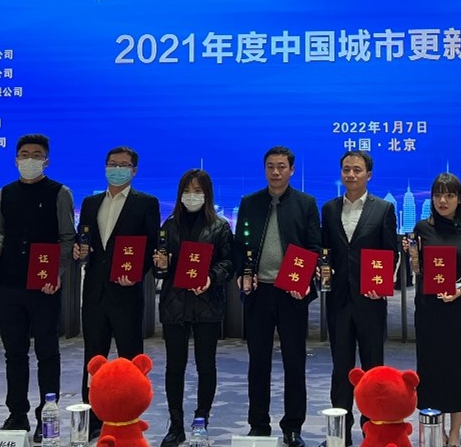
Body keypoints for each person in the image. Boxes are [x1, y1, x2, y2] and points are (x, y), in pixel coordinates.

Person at [0, 134, 75, 443]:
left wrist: (58, 272)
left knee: (47, 352)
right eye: (24, 154)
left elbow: (67, 237)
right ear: (15, 160)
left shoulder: (60, 192)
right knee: (14, 353)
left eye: (36, 155)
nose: (29, 159)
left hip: (44, 285)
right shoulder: (4, 193)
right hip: (10, 284)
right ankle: (17, 413)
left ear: (46, 161)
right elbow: (2, 232)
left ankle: (46, 415)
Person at [232, 146, 321, 447]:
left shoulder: (306, 203)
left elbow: (313, 247)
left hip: (291, 293)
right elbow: (240, 245)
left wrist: (305, 280)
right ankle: (258, 425)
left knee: (294, 362)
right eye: (270, 166)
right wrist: (242, 273)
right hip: (259, 293)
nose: (275, 172)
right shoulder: (250, 203)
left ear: (291, 170)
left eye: (281, 166)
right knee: (258, 362)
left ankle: (292, 427)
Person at [75, 146, 161, 439]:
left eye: (124, 165)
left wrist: (136, 274)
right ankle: (92, 420)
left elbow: (151, 247)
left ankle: (131, 421)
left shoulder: (145, 203)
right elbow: (84, 240)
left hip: (127, 293)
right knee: (93, 359)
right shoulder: (90, 203)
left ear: (134, 170)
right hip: (95, 293)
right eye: (112, 164)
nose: (117, 169)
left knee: (131, 359)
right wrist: (79, 251)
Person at [319, 151, 398, 446]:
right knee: (341, 370)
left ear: (369, 175)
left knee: (373, 370)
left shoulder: (384, 209)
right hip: (339, 300)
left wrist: (383, 284)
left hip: (370, 300)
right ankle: (339, 436)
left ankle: (372, 434)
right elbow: (325, 251)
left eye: (357, 170)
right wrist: (323, 269)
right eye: (346, 169)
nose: (351, 175)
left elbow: (391, 254)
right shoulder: (329, 209)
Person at [153, 169, 234, 447]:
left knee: (205, 365)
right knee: (174, 366)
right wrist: (160, 264)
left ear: (207, 194)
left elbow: (228, 263)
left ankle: (201, 421)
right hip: (174, 303)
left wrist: (210, 278)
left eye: (198, 191)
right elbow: (161, 269)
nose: (192, 196)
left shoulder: (220, 226)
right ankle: (176, 425)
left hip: (206, 303)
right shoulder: (169, 225)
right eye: (187, 191)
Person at [406, 173, 461, 447]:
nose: (443, 200)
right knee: (431, 370)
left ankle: (454, 433)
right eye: (438, 195)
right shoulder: (421, 228)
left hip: (458, 310)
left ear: (459, 199)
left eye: (449, 195)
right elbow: (418, 270)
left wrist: (460, 290)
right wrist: (411, 255)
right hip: (428, 309)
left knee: (458, 370)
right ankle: (435, 428)